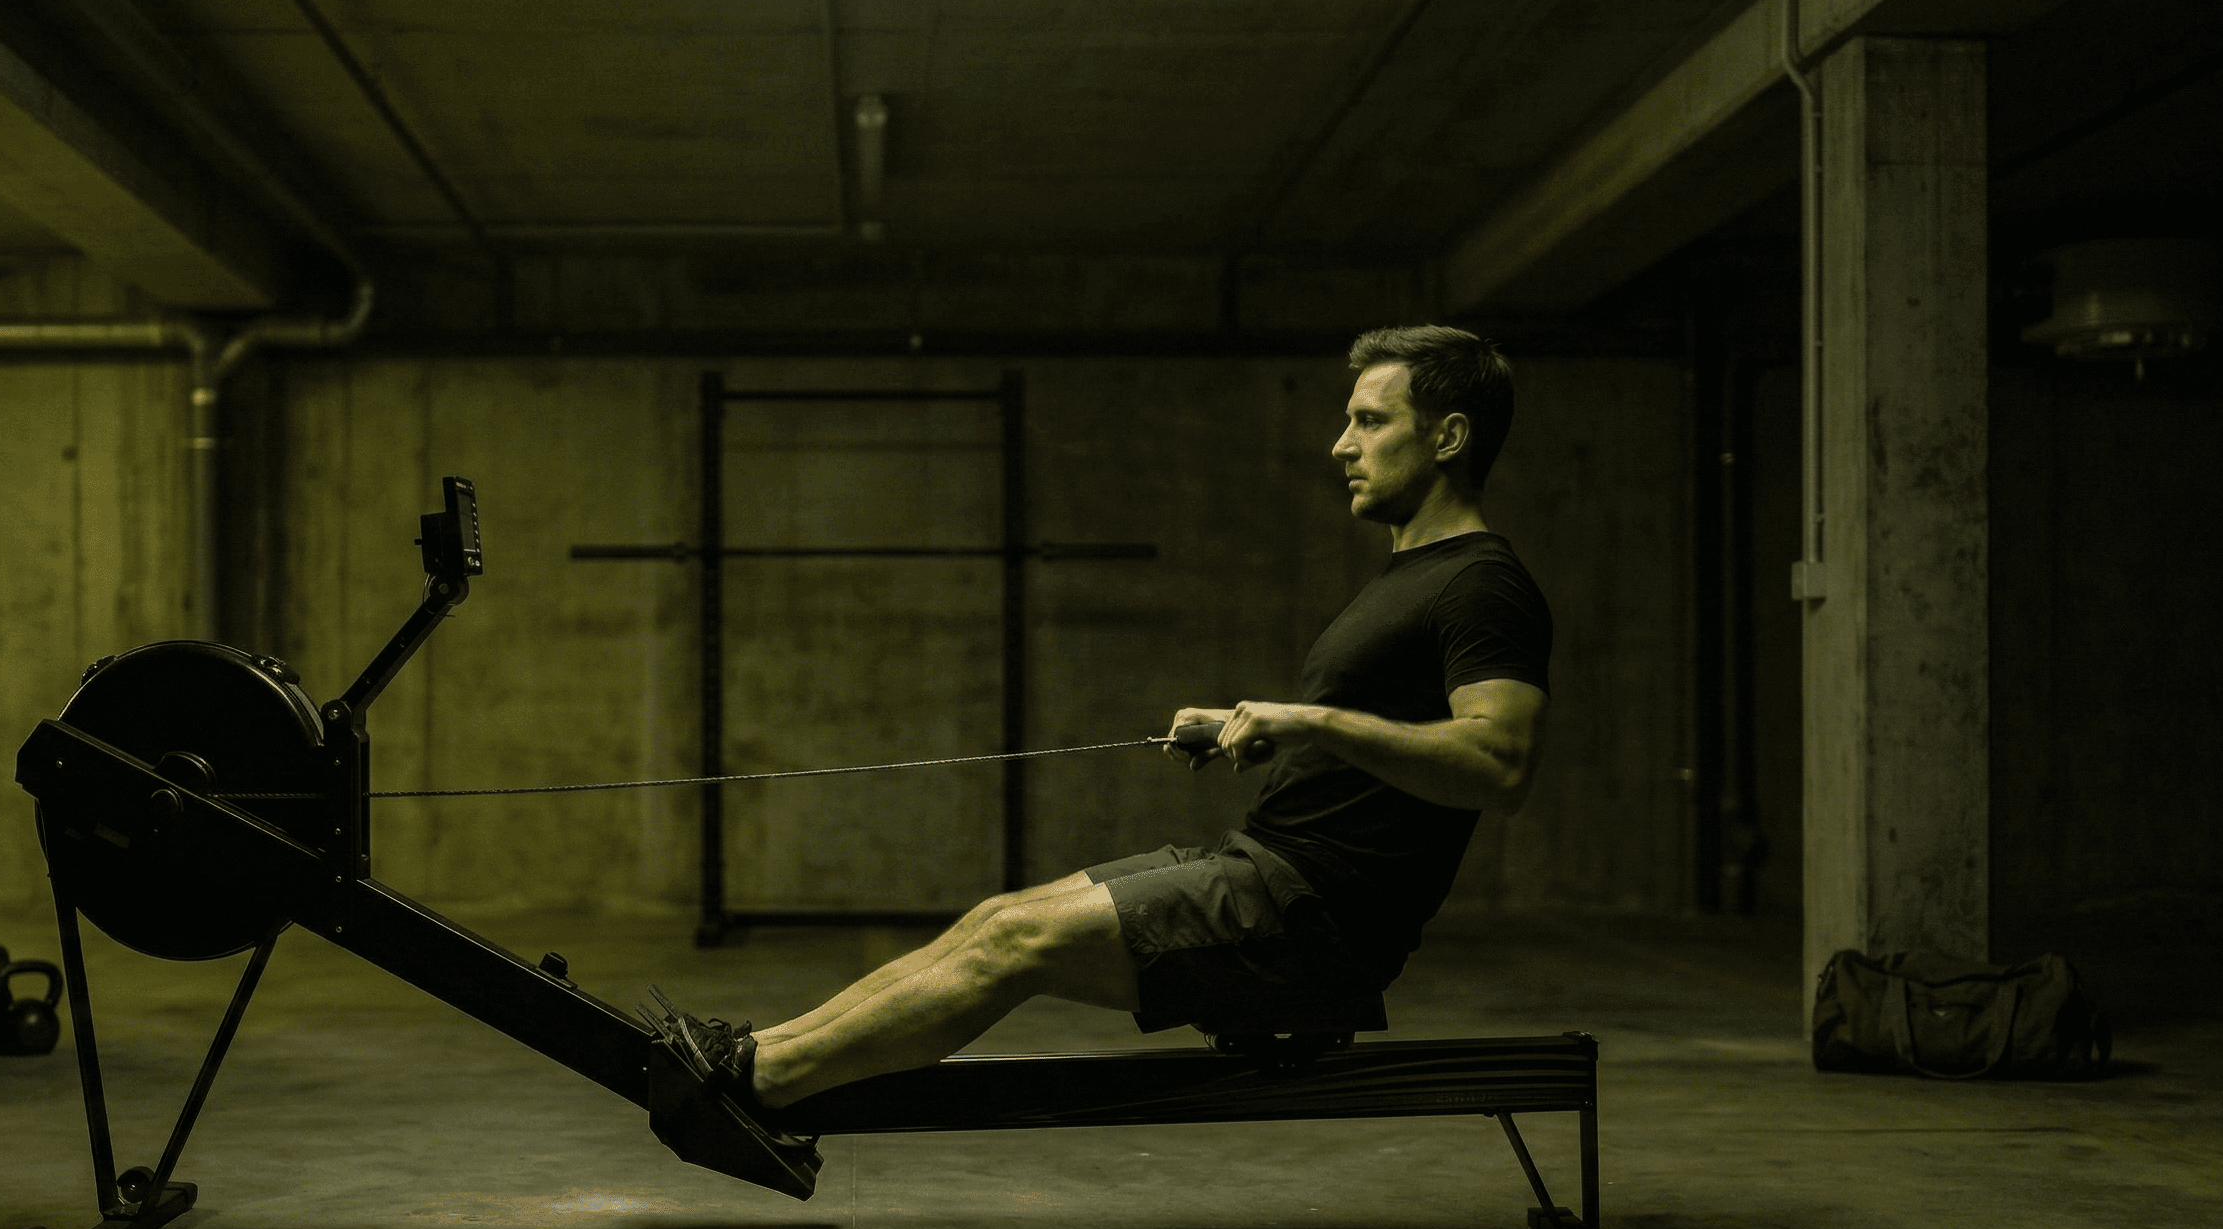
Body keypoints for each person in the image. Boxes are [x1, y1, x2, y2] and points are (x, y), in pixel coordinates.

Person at [654, 324, 1552, 1123]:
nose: (1340, 444)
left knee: (1014, 944)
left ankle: (756, 1090)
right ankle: (757, 1054)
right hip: (1265, 872)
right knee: (997, 916)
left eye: (1369, 421)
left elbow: (1497, 760)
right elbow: (1379, 735)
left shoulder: (1482, 583)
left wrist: (1309, 719)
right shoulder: (1411, 576)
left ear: (1449, 436)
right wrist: (1265, 726)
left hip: (1310, 925)